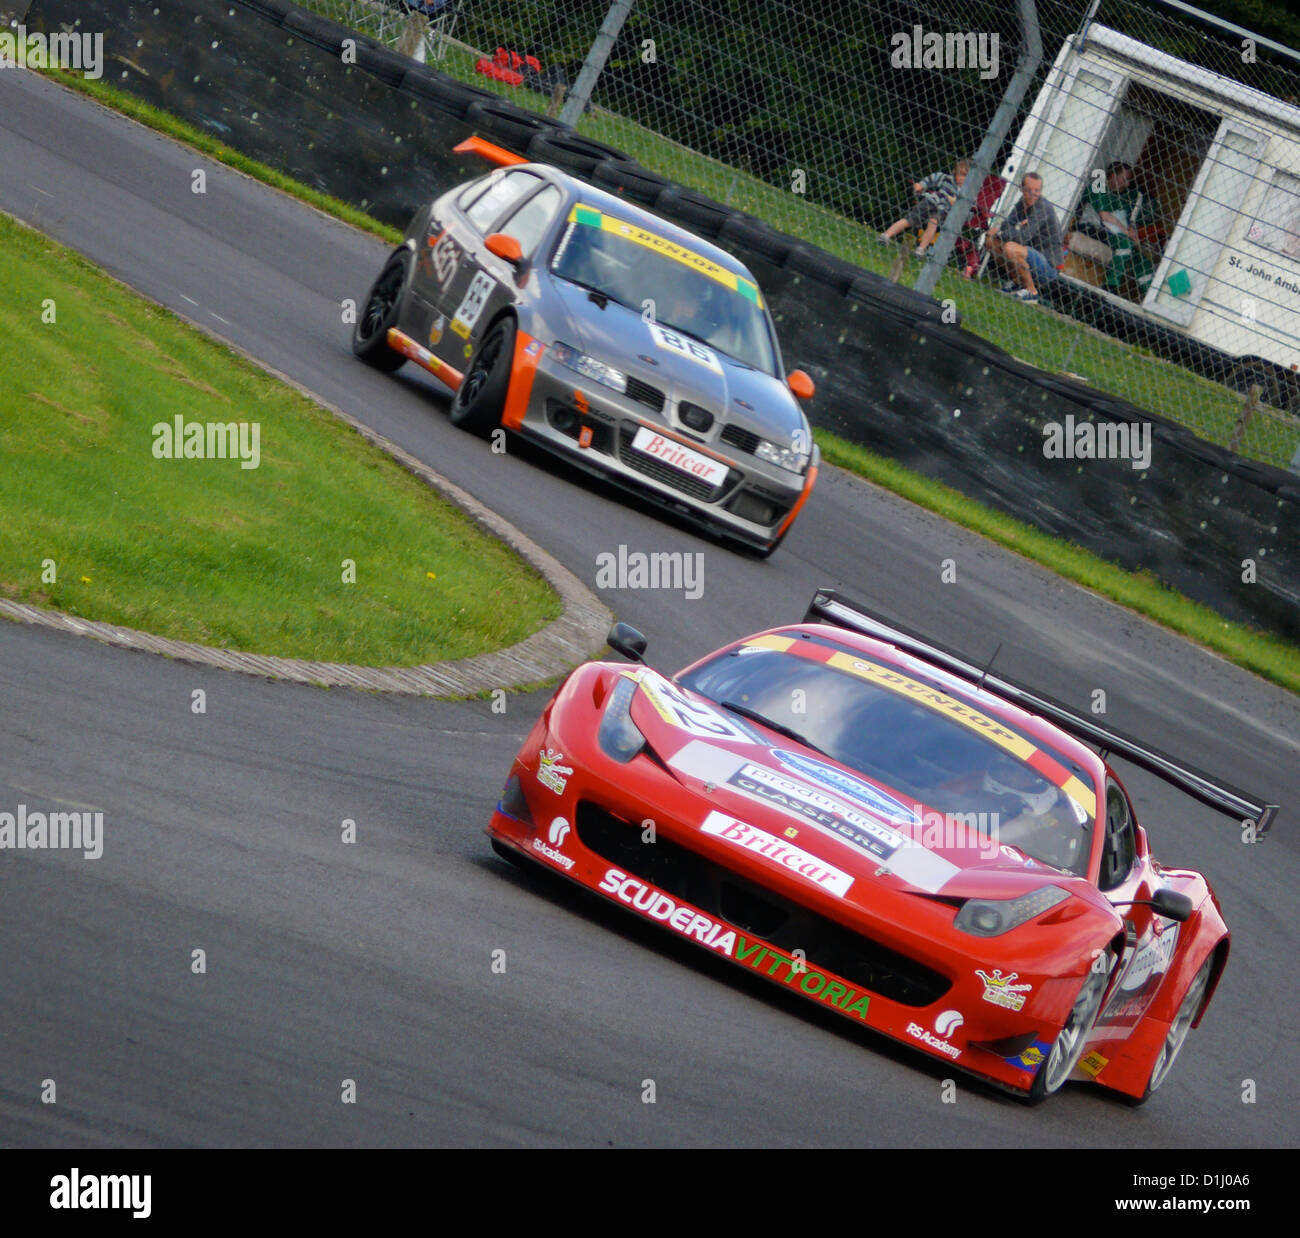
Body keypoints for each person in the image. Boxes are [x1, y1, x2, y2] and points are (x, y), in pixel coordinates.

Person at [1076, 160, 1155, 293]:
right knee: (1125, 243)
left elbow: (1122, 221)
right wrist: (1126, 233)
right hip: (1091, 227)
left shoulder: (1119, 197)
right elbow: (1105, 216)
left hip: (1110, 232)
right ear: (1112, 176)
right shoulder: (1098, 186)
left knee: (1142, 261)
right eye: (1124, 179)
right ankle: (1110, 287)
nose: (1127, 184)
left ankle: (1148, 293)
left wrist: (1131, 231)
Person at [984, 172, 1063, 303]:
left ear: (1041, 191)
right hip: (1029, 254)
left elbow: (1022, 237)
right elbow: (1006, 224)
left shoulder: (1043, 207)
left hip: (1048, 264)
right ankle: (1017, 283)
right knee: (991, 241)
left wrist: (1003, 233)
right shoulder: (1022, 203)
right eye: (1028, 190)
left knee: (1010, 248)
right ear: (1021, 189)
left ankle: (1032, 292)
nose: (1032, 194)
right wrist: (1005, 232)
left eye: (1037, 190)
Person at [879, 160, 970, 256]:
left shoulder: (968, 192)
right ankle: (886, 235)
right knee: (910, 219)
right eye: (959, 174)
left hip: (943, 210)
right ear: (955, 172)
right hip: (931, 201)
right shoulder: (947, 179)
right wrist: (921, 185)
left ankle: (921, 249)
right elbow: (932, 178)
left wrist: (958, 206)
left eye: (964, 176)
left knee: (933, 223)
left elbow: (969, 210)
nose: (960, 178)